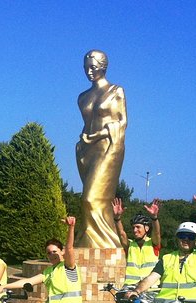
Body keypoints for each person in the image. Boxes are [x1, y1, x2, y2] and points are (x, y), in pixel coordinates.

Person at [75, 49, 127, 248]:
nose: (89, 72)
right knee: (88, 200)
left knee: (92, 198)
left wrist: (99, 135)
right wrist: (83, 141)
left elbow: (122, 123)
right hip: (87, 150)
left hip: (109, 147)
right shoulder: (82, 97)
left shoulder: (116, 91)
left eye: (93, 67)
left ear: (103, 67)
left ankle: (107, 246)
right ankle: (88, 243)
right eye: (86, 68)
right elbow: (87, 122)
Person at [112, 198, 162, 286]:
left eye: (138, 227)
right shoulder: (130, 245)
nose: (135, 230)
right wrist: (117, 219)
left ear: (146, 228)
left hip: (150, 288)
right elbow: (122, 234)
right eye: (133, 227)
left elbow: (157, 233)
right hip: (130, 287)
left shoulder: (153, 243)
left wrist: (154, 218)